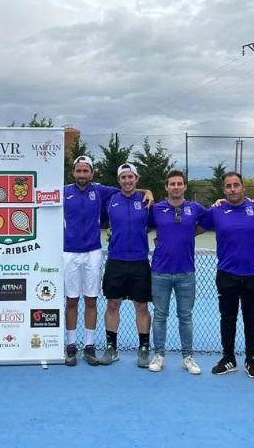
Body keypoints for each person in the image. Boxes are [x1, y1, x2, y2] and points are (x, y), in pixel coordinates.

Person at [63, 156, 152, 366]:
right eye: (79, 171)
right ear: (74, 173)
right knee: (72, 300)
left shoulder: (103, 192)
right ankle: (71, 346)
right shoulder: (64, 191)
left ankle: (90, 346)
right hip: (69, 252)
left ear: (92, 173)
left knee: (92, 299)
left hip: (95, 252)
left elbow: (130, 190)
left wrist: (147, 192)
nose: (82, 175)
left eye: (86, 171)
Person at [198, 171, 254, 378]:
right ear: (224, 190)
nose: (233, 189)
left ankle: (251, 359)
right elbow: (191, 229)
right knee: (228, 318)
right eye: (228, 186)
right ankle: (228, 358)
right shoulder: (215, 211)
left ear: (244, 187)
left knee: (251, 318)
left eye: (236, 185)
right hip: (226, 274)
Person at [145, 170, 205, 374]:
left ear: (185, 186)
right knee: (160, 315)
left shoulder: (196, 208)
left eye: (180, 183)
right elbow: (144, 226)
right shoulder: (156, 209)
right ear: (166, 187)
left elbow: (210, 219)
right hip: (160, 272)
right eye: (172, 184)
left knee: (185, 316)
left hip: (186, 272)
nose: (176, 187)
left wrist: (188, 233)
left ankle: (187, 357)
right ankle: (159, 354)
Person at [99, 163, 152, 368]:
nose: (127, 181)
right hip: (116, 260)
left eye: (131, 177)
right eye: (123, 178)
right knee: (113, 304)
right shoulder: (110, 200)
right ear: (119, 180)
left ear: (136, 179)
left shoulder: (147, 202)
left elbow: (156, 225)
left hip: (139, 261)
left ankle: (144, 348)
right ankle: (112, 348)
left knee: (142, 306)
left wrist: (147, 192)